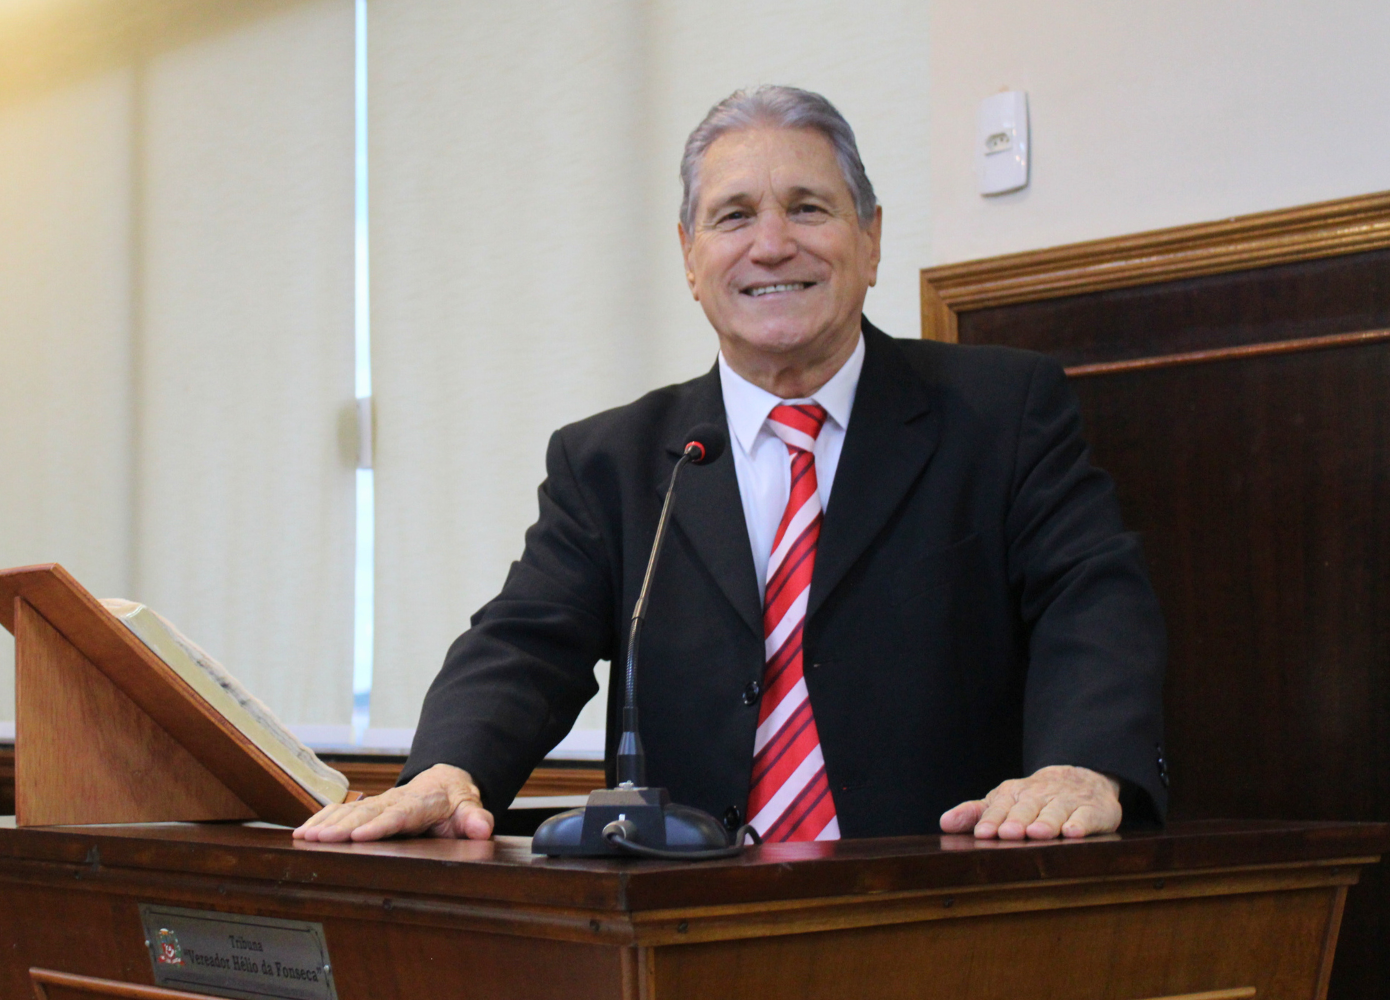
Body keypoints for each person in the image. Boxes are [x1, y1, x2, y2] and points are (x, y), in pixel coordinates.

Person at [296, 86, 1166, 846]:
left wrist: (1084, 765)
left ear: (870, 240)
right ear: (689, 255)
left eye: (809, 209)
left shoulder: (1001, 412)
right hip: (687, 914)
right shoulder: (611, 462)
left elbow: (1091, 598)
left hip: (932, 903)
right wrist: (449, 768)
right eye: (735, 216)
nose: (772, 244)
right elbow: (524, 642)